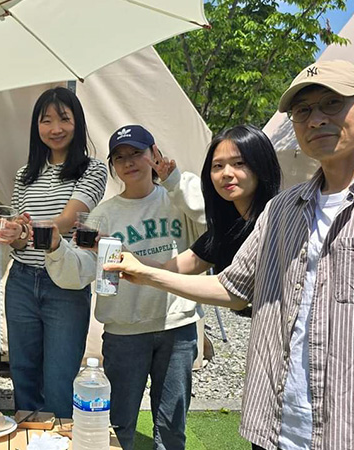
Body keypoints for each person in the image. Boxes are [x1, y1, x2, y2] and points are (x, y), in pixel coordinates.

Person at [104, 60, 354, 450]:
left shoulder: (267, 209)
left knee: (170, 422)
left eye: (332, 104)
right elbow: (216, 281)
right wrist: (130, 263)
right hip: (276, 418)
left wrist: (172, 181)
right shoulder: (281, 211)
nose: (316, 119)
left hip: (337, 417)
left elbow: (197, 216)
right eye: (303, 110)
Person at [45, 124, 205, 449]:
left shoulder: (178, 199)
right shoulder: (103, 214)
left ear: (154, 155)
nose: (129, 162)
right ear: (113, 166)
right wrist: (55, 248)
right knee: (118, 425)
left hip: (177, 326)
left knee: (172, 427)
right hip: (124, 332)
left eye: (136, 153)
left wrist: (174, 181)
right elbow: (78, 271)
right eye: (120, 157)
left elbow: (211, 218)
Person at [0, 87, 107, 418]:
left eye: (64, 119)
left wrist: (29, 229)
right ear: (36, 126)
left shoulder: (92, 169)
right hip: (21, 282)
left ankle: (60, 437)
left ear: (77, 123)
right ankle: (30, 436)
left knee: (60, 378)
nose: (55, 128)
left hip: (65, 284)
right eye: (46, 121)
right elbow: (21, 240)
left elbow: (70, 218)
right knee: (23, 374)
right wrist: (14, 233)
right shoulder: (24, 174)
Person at [138, 125, 281, 276]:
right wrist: (124, 254)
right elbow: (166, 270)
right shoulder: (225, 230)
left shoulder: (278, 222)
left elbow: (228, 288)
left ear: (262, 165)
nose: (226, 173)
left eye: (239, 163)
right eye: (218, 166)